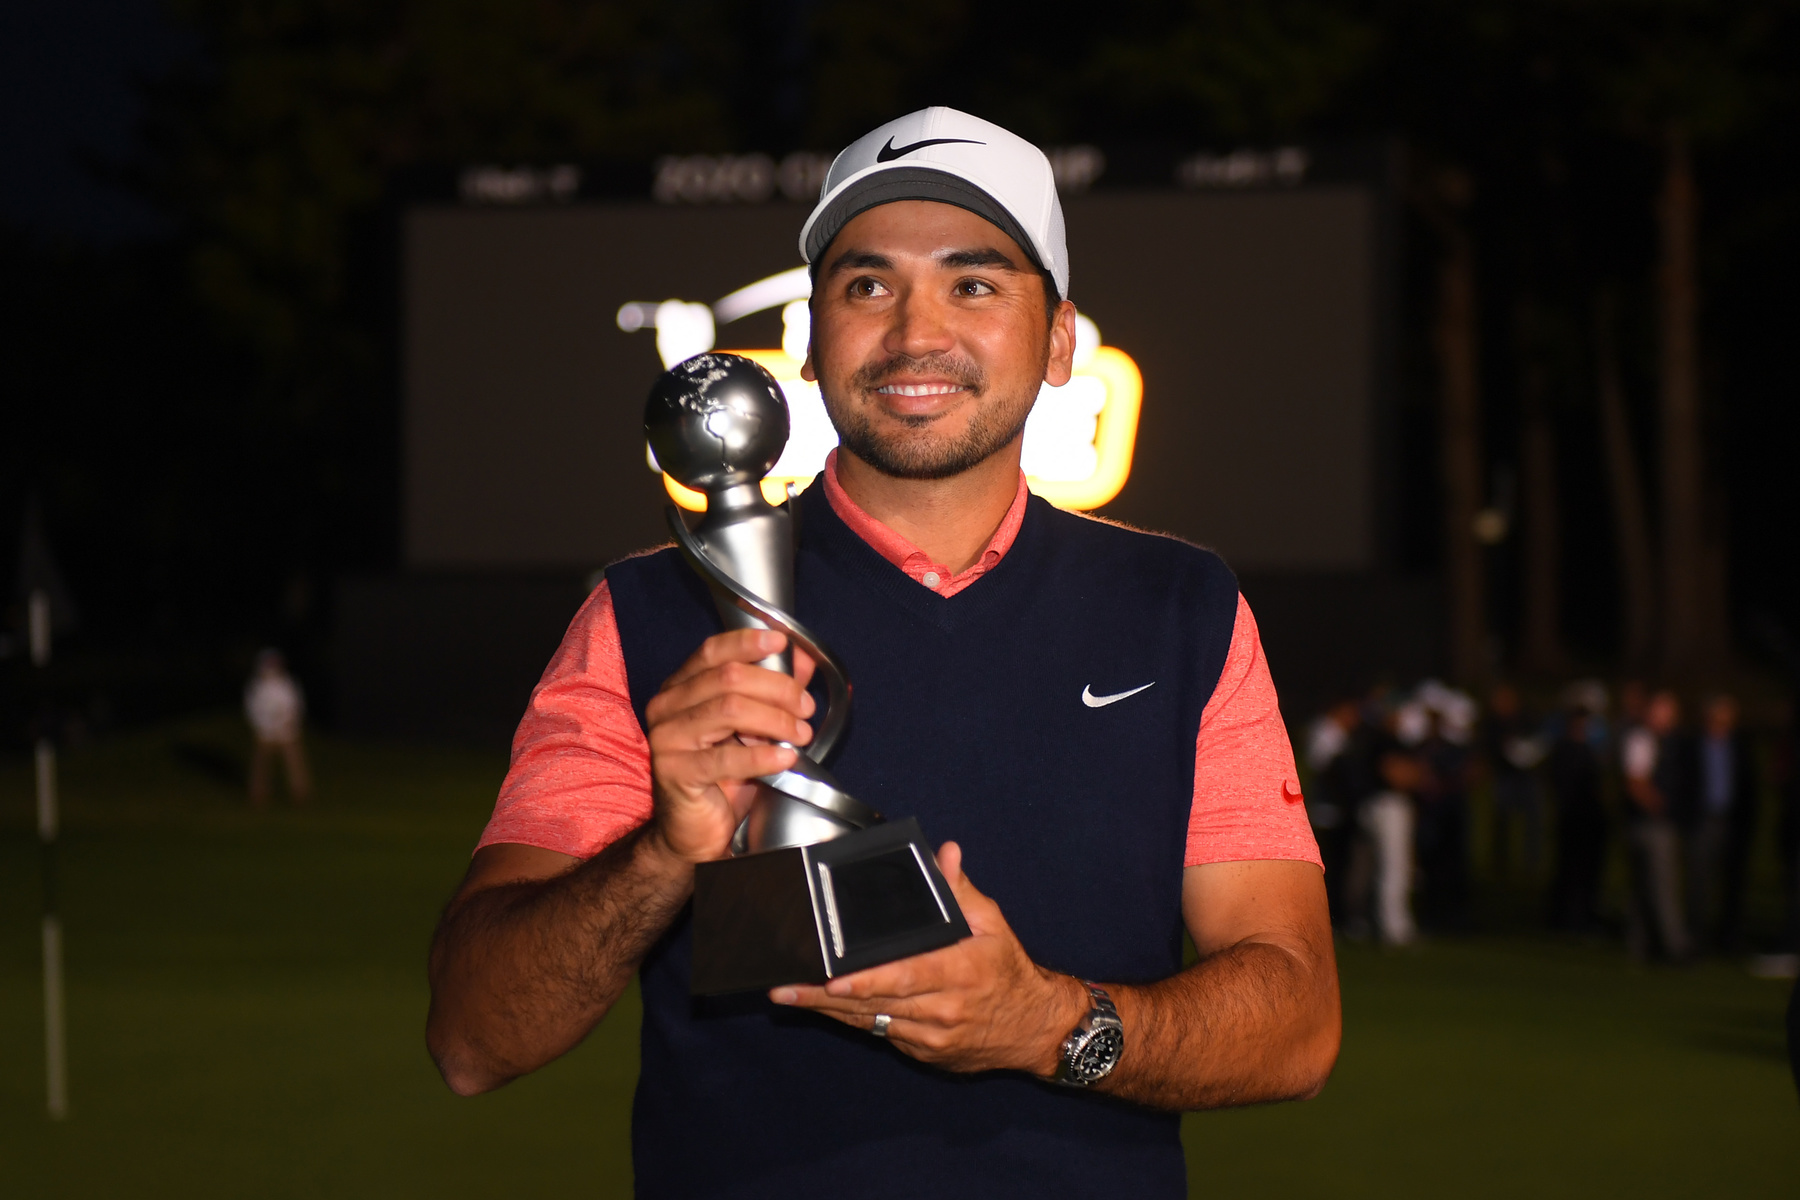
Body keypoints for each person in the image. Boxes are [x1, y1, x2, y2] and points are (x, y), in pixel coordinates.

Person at [424, 109, 1339, 1196]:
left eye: (975, 283)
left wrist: (1049, 1026)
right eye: (866, 286)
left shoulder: (1180, 609)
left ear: (1057, 341)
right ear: (810, 343)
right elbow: (475, 1040)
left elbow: (1297, 1022)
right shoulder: (651, 614)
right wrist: (666, 851)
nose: (914, 334)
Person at [1622, 689, 1690, 961]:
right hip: (1650, 824)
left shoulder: (1670, 742)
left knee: (1644, 888)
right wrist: (1659, 806)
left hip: (1647, 823)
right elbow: (1635, 782)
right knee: (1662, 887)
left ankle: (1641, 945)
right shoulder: (1642, 739)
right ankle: (1674, 947)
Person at [1689, 694, 1758, 953]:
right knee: (1700, 883)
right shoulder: (1694, 744)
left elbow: (1749, 789)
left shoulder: (1739, 747)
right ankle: (1696, 938)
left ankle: (1730, 938)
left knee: (1733, 884)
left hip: (1731, 822)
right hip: (1703, 820)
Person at [1547, 706, 1608, 934]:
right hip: (1573, 819)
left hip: (1587, 821)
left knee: (1584, 872)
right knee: (1570, 871)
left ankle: (1581, 916)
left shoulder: (1589, 751)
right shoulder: (1567, 750)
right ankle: (1568, 919)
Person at [1483, 682, 1546, 878]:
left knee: (1533, 819)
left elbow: (1538, 742)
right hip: (1505, 775)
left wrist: (1527, 752)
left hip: (1526, 776)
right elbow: (1488, 748)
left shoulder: (1527, 718)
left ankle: (1532, 861)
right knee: (1502, 819)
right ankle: (1500, 862)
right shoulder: (1492, 723)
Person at [244, 648, 309, 806]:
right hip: (265, 733)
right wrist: (265, 725)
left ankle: (300, 794)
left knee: (294, 765)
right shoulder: (256, 686)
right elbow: (252, 709)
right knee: (261, 766)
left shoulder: (286, 684)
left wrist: (288, 721)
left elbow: (295, 705)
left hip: (287, 732)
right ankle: (258, 795)